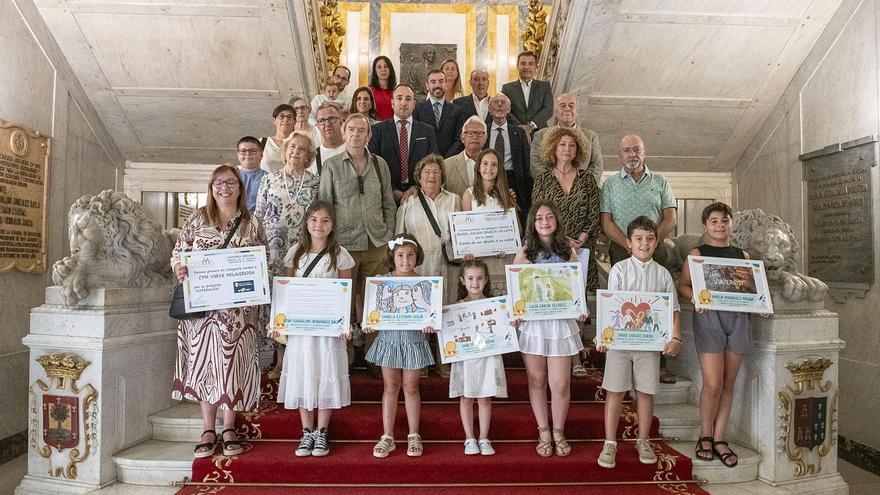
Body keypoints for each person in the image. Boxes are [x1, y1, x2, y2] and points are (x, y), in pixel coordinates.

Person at [171, 164, 267, 458]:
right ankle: (208, 428)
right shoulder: (197, 219)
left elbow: (263, 262)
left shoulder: (253, 223)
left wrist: (256, 281)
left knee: (232, 366)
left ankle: (228, 427)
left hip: (239, 313)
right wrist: (180, 268)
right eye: (218, 183)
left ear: (240, 188)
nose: (224, 188)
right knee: (206, 366)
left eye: (230, 182)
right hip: (203, 310)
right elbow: (178, 253)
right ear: (211, 188)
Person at [677, 202, 761, 468]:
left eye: (725, 220)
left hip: (738, 319)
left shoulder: (744, 256)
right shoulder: (697, 254)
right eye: (714, 221)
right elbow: (683, 286)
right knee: (712, 383)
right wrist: (695, 297)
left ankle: (720, 437)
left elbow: (754, 290)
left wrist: (762, 304)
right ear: (705, 225)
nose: (720, 225)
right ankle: (705, 434)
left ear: (731, 224)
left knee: (728, 382)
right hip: (709, 318)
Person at [596, 216, 682, 469]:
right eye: (639, 239)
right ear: (629, 243)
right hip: (620, 345)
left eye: (650, 239)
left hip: (649, 346)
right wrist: (603, 336)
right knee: (615, 391)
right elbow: (611, 306)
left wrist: (675, 337)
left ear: (656, 242)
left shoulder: (663, 274)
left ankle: (643, 440)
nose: (644, 244)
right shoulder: (619, 270)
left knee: (645, 392)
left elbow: (673, 309)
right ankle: (610, 443)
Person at [269, 201, 354, 457]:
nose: (319, 225)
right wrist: (276, 321)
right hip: (301, 330)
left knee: (326, 373)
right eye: (314, 219)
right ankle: (307, 431)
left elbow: (346, 294)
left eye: (325, 220)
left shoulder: (340, 255)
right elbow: (285, 291)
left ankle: (322, 431)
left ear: (332, 225)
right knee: (303, 373)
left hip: (328, 332)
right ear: (307, 223)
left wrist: (345, 322)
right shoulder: (295, 253)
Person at [319, 113, 397, 374]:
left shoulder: (380, 165)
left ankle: (375, 357)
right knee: (344, 304)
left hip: (376, 243)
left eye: (361, 130)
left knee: (376, 303)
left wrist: (388, 233)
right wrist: (328, 243)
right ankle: (346, 358)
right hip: (345, 246)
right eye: (351, 129)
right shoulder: (331, 165)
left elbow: (388, 202)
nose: (355, 134)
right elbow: (325, 205)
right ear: (344, 133)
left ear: (368, 135)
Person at [512, 201, 588, 457]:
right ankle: (544, 431)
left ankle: (559, 432)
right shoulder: (525, 251)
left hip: (560, 324)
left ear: (556, 220)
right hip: (533, 325)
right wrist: (515, 312)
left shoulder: (568, 250)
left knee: (560, 383)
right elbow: (516, 289)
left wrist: (580, 308)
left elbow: (576, 286)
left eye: (549, 217)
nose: (544, 222)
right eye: (539, 218)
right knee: (537, 380)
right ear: (532, 223)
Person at [600, 134, 678, 383]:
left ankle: (660, 363)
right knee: (624, 304)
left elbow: (670, 217)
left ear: (644, 152)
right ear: (619, 155)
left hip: (656, 249)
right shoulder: (610, 184)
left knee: (656, 304)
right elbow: (606, 221)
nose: (632, 154)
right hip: (621, 248)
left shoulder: (660, 181)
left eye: (637, 149)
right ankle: (622, 359)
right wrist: (628, 243)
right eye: (626, 150)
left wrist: (650, 243)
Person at [531, 126, 601, 378]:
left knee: (576, 301)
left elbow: (595, 213)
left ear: (578, 150)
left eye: (572, 145)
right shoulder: (543, 179)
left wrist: (582, 237)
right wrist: (559, 238)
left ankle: (576, 356)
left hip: (580, 248)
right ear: (553, 148)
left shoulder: (587, 179)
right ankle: (557, 353)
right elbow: (537, 213)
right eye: (562, 144)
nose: (567, 149)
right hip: (551, 249)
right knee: (555, 298)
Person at [363, 234, 436, 458]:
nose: (406, 260)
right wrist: (369, 322)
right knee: (390, 386)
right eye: (400, 255)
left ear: (417, 256)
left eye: (410, 255)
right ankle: (388, 436)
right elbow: (374, 311)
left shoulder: (425, 283)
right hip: (389, 341)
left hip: (413, 342)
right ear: (392, 257)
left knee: (411, 387)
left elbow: (431, 314)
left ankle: (414, 435)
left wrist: (431, 324)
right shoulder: (382, 282)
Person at [395, 154, 461, 376]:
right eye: (427, 172)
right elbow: (398, 237)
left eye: (436, 172)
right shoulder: (409, 202)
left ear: (442, 176)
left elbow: (463, 232)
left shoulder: (454, 200)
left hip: (448, 264)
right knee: (420, 313)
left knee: (447, 312)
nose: (431, 176)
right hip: (418, 268)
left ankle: (445, 360)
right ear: (419, 177)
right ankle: (420, 362)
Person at [450, 259, 507, 455]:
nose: (475, 283)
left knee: (485, 397)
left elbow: (502, 332)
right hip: (466, 359)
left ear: (486, 280)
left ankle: (483, 437)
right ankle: (469, 438)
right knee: (466, 397)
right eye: (471, 278)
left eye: (480, 278)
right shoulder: (456, 308)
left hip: (488, 358)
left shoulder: (495, 306)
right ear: (462, 281)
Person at [255, 131, 321, 276]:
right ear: (285, 150)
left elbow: (319, 217)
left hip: (302, 246)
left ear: (308, 156)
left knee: (297, 286)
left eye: (302, 149)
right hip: (270, 247)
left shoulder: (315, 182)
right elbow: (258, 215)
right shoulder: (269, 179)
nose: (296, 151)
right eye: (292, 146)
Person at [460, 149, 518, 295]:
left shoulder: (508, 194)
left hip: (501, 261)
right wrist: (467, 250)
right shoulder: (469, 194)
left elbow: (517, 229)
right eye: (485, 163)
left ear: (499, 169)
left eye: (494, 164)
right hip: (477, 263)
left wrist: (509, 247)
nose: (489, 168)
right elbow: (464, 231)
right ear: (478, 167)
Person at [368, 84, 439, 200]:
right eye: (399, 98)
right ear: (392, 103)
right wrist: (391, 189)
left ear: (414, 104)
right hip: (385, 195)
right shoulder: (377, 130)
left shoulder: (427, 131)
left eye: (408, 99)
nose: (404, 103)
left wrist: (417, 187)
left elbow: (433, 162)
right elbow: (373, 164)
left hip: (419, 195)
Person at [529, 93, 603, 184]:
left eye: (571, 106)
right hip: (548, 189)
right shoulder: (541, 135)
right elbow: (535, 163)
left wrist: (581, 187)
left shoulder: (591, 136)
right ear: (555, 111)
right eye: (562, 105)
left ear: (577, 110)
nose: (567, 109)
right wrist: (553, 185)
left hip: (582, 189)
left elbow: (596, 165)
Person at [486, 93, 532, 220]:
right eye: (496, 102)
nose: (500, 105)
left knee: (515, 218)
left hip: (513, 180)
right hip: (489, 179)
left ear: (509, 109)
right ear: (490, 110)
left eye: (503, 102)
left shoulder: (519, 132)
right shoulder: (484, 131)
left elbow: (526, 164)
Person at [501, 51, 553, 138]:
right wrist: (521, 128)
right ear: (517, 66)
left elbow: (548, 109)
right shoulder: (507, 88)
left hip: (540, 134)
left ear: (536, 66)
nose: (526, 67)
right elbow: (505, 110)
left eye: (530, 63)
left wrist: (531, 126)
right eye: (523, 63)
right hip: (515, 133)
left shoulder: (544, 86)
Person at [413, 70, 463, 157]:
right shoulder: (417, 110)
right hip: (425, 161)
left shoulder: (457, 111)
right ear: (427, 86)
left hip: (450, 160)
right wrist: (429, 160)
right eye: (433, 82)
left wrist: (446, 159)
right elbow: (415, 138)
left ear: (446, 84)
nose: (437, 85)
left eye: (441, 81)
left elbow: (460, 139)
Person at [443, 116, 487, 197]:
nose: (475, 137)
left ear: (485, 138)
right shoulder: (447, 165)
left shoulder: (494, 163)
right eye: (470, 133)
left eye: (479, 133)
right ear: (462, 138)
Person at [311, 102, 347, 175]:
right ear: (317, 126)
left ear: (341, 121)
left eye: (331, 119)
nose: (327, 124)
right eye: (322, 121)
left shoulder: (355, 149)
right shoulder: (313, 158)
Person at [260, 104, 296, 173]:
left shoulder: (298, 145)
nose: (286, 119)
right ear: (274, 120)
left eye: (290, 117)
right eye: (281, 116)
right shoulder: (262, 143)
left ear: (295, 122)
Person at [236, 136, 267, 213]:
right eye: (243, 151)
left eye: (253, 151)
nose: (248, 154)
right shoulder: (232, 177)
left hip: (259, 219)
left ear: (261, 154)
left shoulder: (269, 179)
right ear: (238, 155)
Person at [369, 56, 396, 121]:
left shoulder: (396, 92)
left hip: (393, 126)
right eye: (379, 67)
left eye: (386, 66)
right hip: (375, 125)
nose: (383, 69)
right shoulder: (370, 91)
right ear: (375, 71)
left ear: (390, 70)